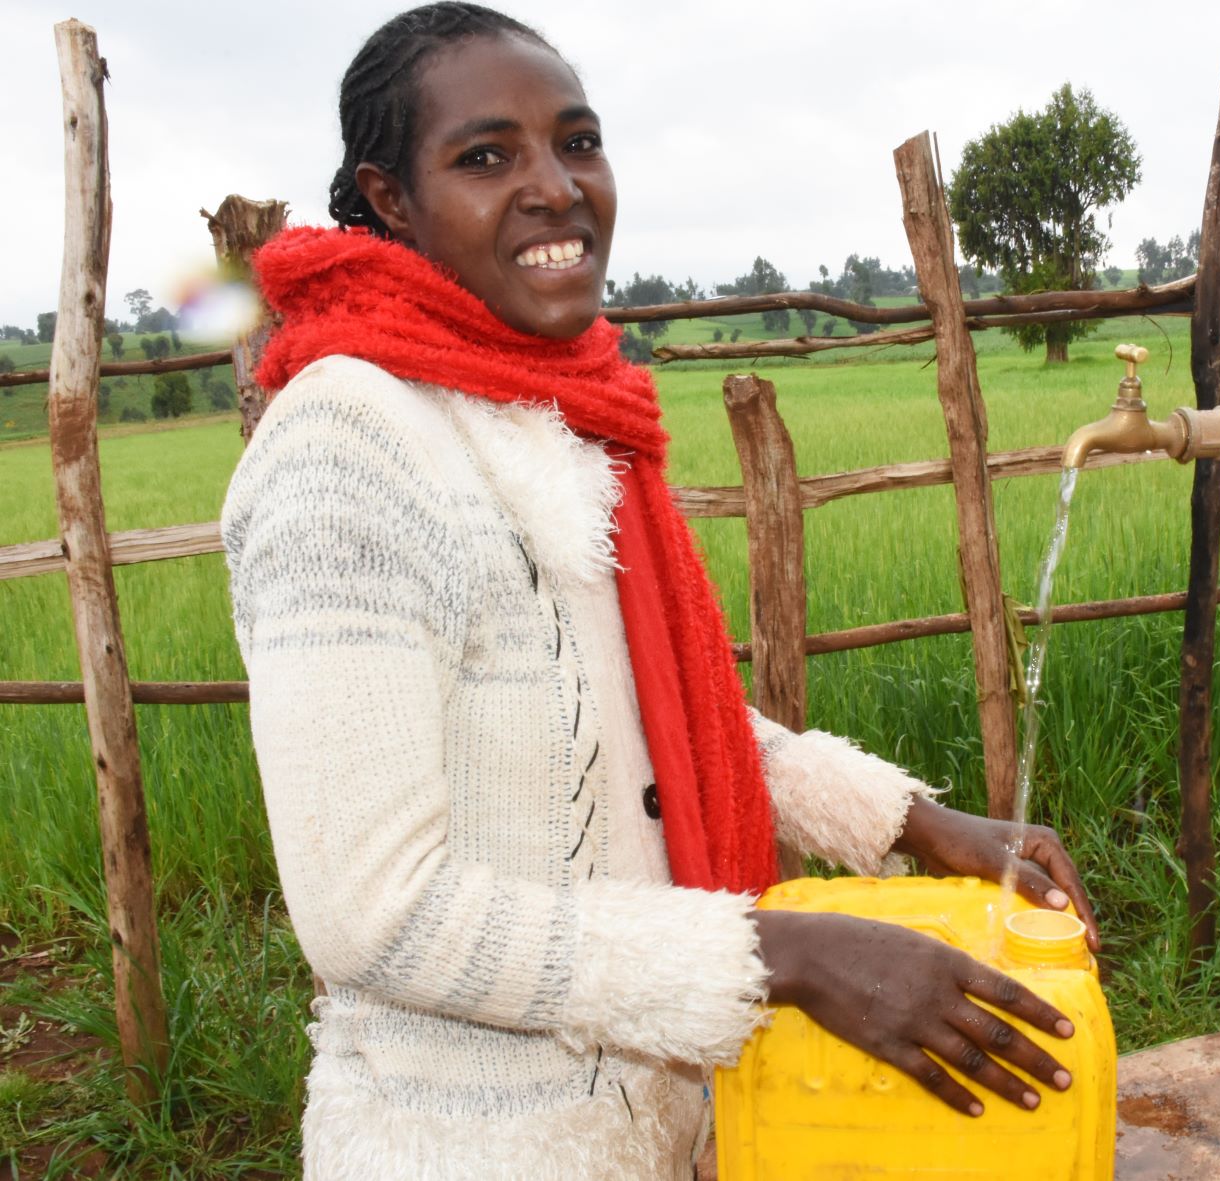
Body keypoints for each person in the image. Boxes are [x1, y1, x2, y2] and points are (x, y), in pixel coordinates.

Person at [221, 5, 1100, 1177]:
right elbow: (375, 913)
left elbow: (652, 722)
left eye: (575, 143)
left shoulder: (550, 410)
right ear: (389, 199)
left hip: (663, 1122)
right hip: (471, 1144)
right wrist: (784, 953)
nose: (553, 187)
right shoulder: (350, 443)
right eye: (486, 158)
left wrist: (906, 822)